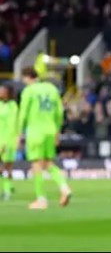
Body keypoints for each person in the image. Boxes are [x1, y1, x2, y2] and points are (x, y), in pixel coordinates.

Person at [18, 67, 71, 209]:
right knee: (48, 164)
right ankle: (64, 188)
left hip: (36, 131)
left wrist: (19, 134)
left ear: (27, 77)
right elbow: (59, 112)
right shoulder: (52, 89)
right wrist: (58, 132)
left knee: (36, 165)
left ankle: (41, 199)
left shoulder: (29, 91)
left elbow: (23, 114)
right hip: (50, 130)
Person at [0, 85, 18, 200]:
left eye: (2, 90)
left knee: (7, 166)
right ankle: (9, 187)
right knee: (4, 167)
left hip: (8, 139)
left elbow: (13, 125)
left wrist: (7, 142)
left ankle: (7, 191)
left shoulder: (13, 106)